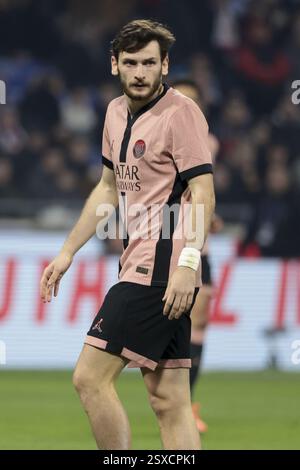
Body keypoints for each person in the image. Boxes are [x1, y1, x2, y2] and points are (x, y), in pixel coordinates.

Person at [40, 20, 215, 450]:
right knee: (169, 401)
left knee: (89, 379)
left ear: (165, 65)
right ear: (115, 64)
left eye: (150, 63)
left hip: (160, 269)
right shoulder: (115, 112)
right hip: (142, 263)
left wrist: (189, 264)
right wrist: (67, 252)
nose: (140, 72)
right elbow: (107, 187)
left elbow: (202, 189)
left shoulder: (182, 113)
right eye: (132, 63)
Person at [172, 79, 222, 433]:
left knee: (198, 322)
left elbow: (203, 190)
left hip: (198, 245)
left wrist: (209, 217)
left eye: (193, 101)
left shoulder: (210, 143)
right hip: (162, 243)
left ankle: (185, 404)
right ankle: (171, 401)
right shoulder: (157, 138)